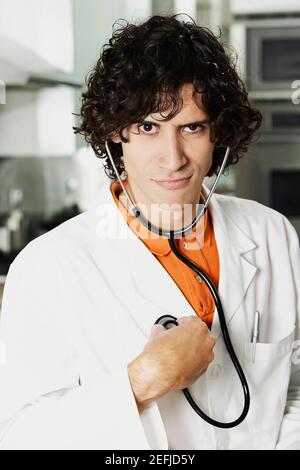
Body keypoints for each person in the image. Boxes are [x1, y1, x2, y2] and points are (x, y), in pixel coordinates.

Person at [0, 14, 299, 451]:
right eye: (148, 127)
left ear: (218, 133)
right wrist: (140, 381)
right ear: (115, 134)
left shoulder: (272, 235)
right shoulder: (48, 267)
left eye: (191, 127)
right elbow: (20, 437)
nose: (172, 158)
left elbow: (294, 384)